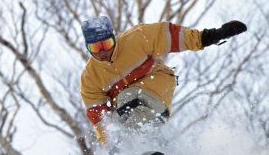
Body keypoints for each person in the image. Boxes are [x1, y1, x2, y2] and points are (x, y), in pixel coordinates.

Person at [79, 16, 247, 145]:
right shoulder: (90, 77)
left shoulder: (136, 38)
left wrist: (213, 35)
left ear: (114, 38)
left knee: (128, 98)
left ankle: (148, 145)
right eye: (95, 48)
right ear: (87, 47)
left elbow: (173, 36)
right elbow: (99, 117)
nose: (102, 52)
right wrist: (109, 145)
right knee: (117, 129)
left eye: (106, 44)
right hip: (127, 111)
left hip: (156, 84)